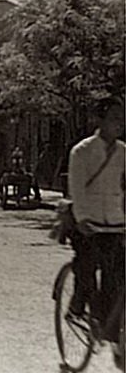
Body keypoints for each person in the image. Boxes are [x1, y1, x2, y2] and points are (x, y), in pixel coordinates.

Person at [67, 96, 125, 353]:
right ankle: (76, 308)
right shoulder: (82, 151)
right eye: (113, 118)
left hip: (114, 222)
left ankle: (108, 330)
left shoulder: (124, 152)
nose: (119, 124)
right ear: (99, 120)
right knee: (86, 269)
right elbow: (76, 189)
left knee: (115, 277)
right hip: (87, 223)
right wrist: (82, 220)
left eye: (121, 119)